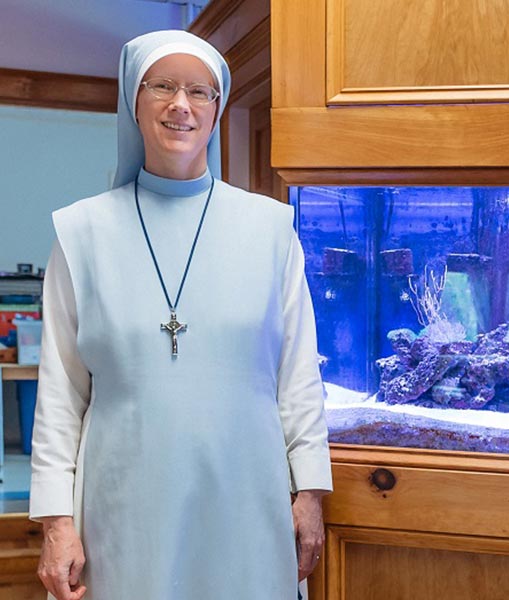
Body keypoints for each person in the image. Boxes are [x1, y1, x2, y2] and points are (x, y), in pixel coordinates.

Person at [30, 30, 332, 600]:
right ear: (132, 100)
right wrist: (55, 522)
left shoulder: (271, 229)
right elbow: (61, 392)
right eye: (162, 87)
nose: (180, 105)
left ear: (216, 111)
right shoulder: (80, 232)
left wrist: (311, 494)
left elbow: (297, 373)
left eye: (199, 91)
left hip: (248, 498)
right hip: (122, 504)